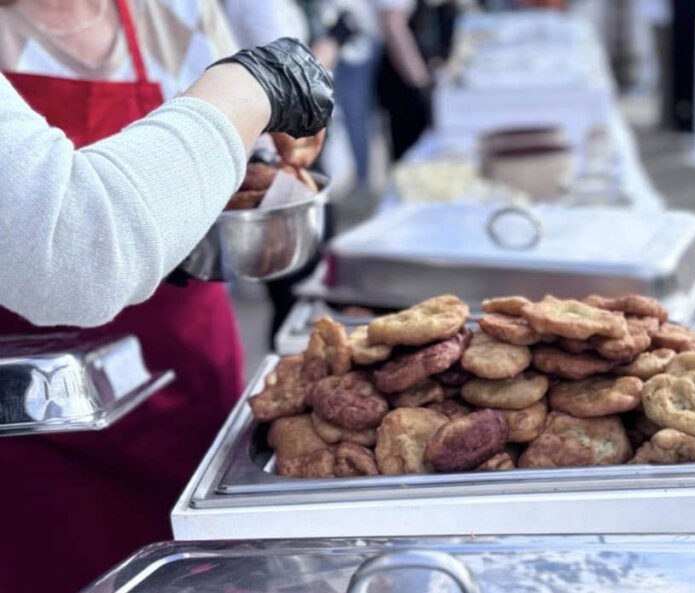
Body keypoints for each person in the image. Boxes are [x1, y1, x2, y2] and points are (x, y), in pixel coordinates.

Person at [0, 0, 332, 588]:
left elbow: (223, 164)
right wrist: (254, 83)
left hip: (184, 368)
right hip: (41, 416)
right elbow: (67, 244)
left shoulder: (177, 14)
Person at [376, 0, 458, 160]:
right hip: (407, 79)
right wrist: (421, 82)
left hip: (427, 69)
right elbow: (393, 24)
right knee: (414, 155)